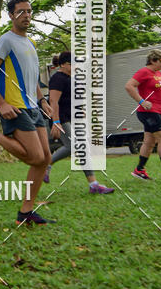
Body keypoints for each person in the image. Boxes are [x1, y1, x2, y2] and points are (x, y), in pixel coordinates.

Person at [0, 0, 56, 225]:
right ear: (11, 15)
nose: (26, 15)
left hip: (33, 106)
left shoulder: (31, 43)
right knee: (35, 157)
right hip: (15, 107)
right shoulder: (5, 41)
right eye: (20, 12)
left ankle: (25, 213)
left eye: (29, 11)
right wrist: (1, 103)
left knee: (44, 159)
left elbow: (32, 76)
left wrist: (42, 100)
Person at [43, 50, 114, 194]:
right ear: (62, 64)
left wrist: (81, 110)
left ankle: (93, 185)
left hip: (74, 118)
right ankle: (47, 164)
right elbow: (53, 101)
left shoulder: (73, 78)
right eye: (71, 64)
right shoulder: (57, 78)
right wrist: (56, 122)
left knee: (83, 148)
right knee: (74, 146)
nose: (75, 66)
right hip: (61, 119)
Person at [125, 50, 161, 180]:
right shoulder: (144, 72)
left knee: (149, 142)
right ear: (153, 60)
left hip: (156, 113)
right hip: (148, 112)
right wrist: (142, 101)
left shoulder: (159, 74)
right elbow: (129, 86)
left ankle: (139, 170)